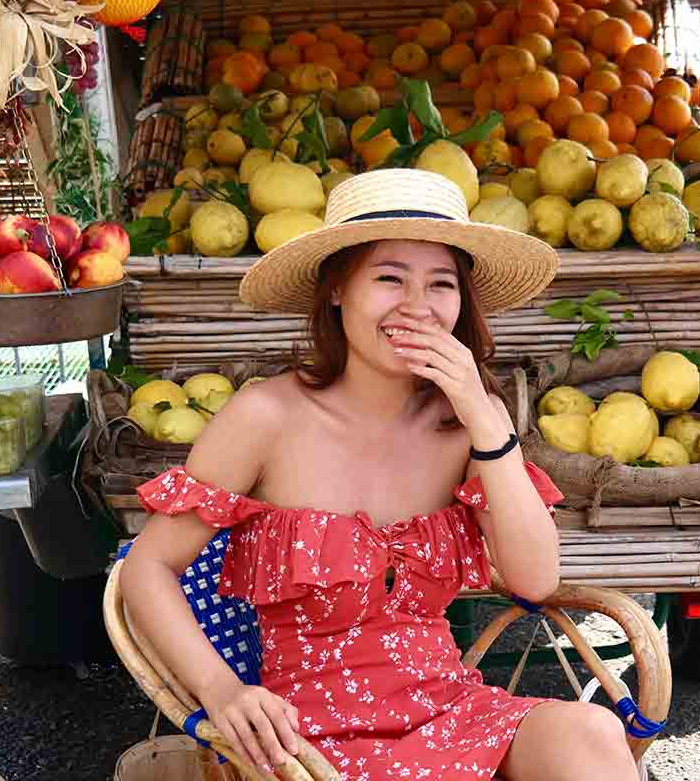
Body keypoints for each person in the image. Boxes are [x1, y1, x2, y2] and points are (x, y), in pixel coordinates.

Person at [120, 169, 639, 781]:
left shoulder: (466, 425)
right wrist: (221, 690)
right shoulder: (266, 417)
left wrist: (485, 419)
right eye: (390, 278)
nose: (417, 307)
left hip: (449, 712)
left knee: (592, 731)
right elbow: (148, 568)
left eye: (441, 285)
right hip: (307, 743)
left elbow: (535, 578)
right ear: (338, 288)